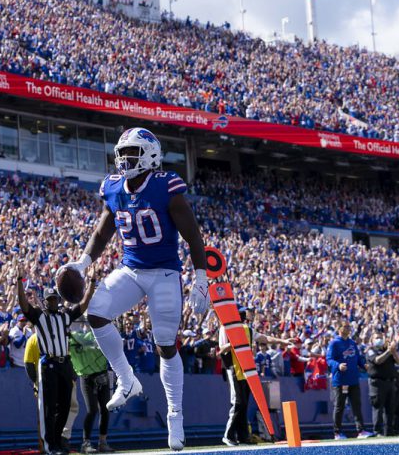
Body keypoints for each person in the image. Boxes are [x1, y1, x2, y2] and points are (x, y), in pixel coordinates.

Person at [60, 128, 210, 451]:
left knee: (165, 345)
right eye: (122, 154)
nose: (124, 160)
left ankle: (175, 414)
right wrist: (82, 264)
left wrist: (201, 279)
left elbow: (194, 237)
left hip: (165, 273)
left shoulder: (165, 186)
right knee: (97, 312)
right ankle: (127, 380)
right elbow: (102, 233)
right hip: (131, 269)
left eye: (132, 154)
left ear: (151, 155)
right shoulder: (114, 188)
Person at [17, 277, 95, 455]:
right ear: (45, 302)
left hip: (65, 363)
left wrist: (91, 283)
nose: (53, 302)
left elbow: (83, 305)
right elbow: (23, 304)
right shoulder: (39, 316)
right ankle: (50, 446)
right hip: (48, 364)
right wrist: (19, 282)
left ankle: (58, 441)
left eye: (55, 299)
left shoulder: (64, 316)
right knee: (49, 407)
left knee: (66, 406)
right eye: (50, 300)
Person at [219, 306, 289, 447]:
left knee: (244, 403)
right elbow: (222, 349)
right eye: (244, 314)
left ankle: (243, 436)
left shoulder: (247, 329)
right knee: (238, 402)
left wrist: (281, 342)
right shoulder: (225, 328)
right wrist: (235, 343)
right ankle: (228, 435)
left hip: (247, 369)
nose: (246, 317)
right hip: (233, 368)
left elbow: (264, 338)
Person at [69, 323, 114, 454]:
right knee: (92, 410)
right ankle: (86, 443)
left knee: (105, 409)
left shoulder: (101, 336)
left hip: (102, 374)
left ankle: (103, 442)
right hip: (86, 377)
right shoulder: (74, 337)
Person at [326, 320, 372, 440]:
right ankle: (337, 432)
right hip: (341, 380)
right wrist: (338, 365)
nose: (348, 329)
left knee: (357, 405)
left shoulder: (352, 343)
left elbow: (357, 358)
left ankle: (361, 430)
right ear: (340, 328)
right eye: (346, 326)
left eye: (349, 326)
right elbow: (329, 359)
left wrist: (363, 365)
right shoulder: (334, 343)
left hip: (353, 379)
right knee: (339, 406)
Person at [365, 331, 399, 436]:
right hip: (377, 383)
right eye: (377, 338)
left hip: (389, 382)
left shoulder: (388, 350)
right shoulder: (370, 351)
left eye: (381, 337)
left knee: (390, 408)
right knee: (378, 408)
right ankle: (377, 431)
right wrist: (388, 352)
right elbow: (377, 360)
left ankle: (389, 431)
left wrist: (393, 351)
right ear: (372, 340)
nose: (379, 339)